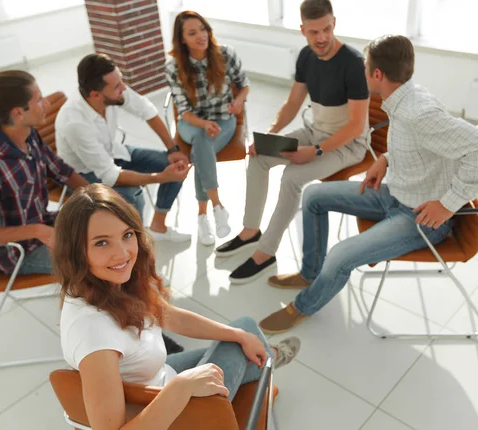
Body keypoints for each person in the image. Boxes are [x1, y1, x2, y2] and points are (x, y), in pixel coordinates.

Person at [257, 34, 478, 334]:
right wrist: (385, 159)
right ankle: (310, 273)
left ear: (377, 75)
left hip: (420, 217)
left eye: (365, 67)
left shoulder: (420, 111)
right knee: (313, 196)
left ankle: (303, 307)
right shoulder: (404, 97)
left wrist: (448, 204)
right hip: (395, 193)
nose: (361, 73)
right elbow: (420, 144)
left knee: (340, 256)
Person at [55, 184, 300, 429]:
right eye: (101, 243)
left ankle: (265, 357)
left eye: (127, 235)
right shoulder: (93, 333)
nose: (122, 254)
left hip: (155, 381)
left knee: (242, 334)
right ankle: (268, 359)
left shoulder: (103, 284)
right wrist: (182, 389)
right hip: (171, 415)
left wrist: (236, 335)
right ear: (76, 252)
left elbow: (167, 315)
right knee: (247, 331)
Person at [217, 0, 370, 284]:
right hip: (315, 132)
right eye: (314, 32)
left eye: (326, 29)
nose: (322, 38)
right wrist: (271, 134)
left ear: (334, 23)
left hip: (347, 144)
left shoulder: (353, 62)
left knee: (291, 177)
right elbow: (292, 103)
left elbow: (356, 125)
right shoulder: (306, 57)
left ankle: (265, 253)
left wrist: (317, 151)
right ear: (303, 31)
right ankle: (251, 232)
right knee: (259, 158)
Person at [0, 70, 90, 276]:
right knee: (101, 260)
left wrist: (96, 196)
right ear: (18, 112)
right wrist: (35, 231)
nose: (46, 104)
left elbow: (60, 170)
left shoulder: (28, 136)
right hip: (19, 253)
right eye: (39, 100)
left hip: (44, 223)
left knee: (108, 230)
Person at [55, 53, 191, 243]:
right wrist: (162, 177)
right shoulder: (75, 123)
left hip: (112, 152)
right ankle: (136, 247)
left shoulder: (110, 92)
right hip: (84, 175)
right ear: (95, 95)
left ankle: (158, 227)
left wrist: (172, 149)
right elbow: (109, 175)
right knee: (134, 197)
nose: (124, 88)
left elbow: (146, 109)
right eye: (117, 86)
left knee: (176, 164)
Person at [165, 11, 250, 246]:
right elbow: (183, 111)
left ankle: (203, 216)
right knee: (202, 137)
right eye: (192, 33)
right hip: (191, 124)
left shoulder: (226, 53)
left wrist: (239, 100)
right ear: (182, 39)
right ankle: (218, 206)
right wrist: (203, 124)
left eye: (203, 29)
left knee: (199, 150)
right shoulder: (173, 67)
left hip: (224, 120)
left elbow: (244, 84)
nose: (201, 36)